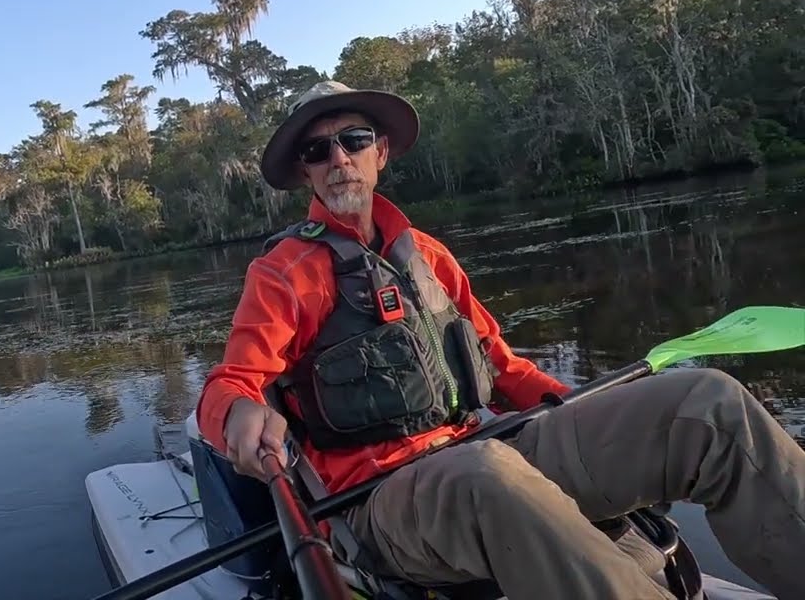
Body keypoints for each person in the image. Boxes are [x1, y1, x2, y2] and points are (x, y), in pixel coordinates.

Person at [195, 80, 805, 600]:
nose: (338, 159)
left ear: (380, 152)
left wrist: (576, 407)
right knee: (488, 474)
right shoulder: (284, 273)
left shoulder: (427, 255)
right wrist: (239, 411)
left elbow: (503, 367)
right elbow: (229, 387)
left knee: (708, 401)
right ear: (306, 168)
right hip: (379, 502)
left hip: (486, 446)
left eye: (353, 141)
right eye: (317, 149)